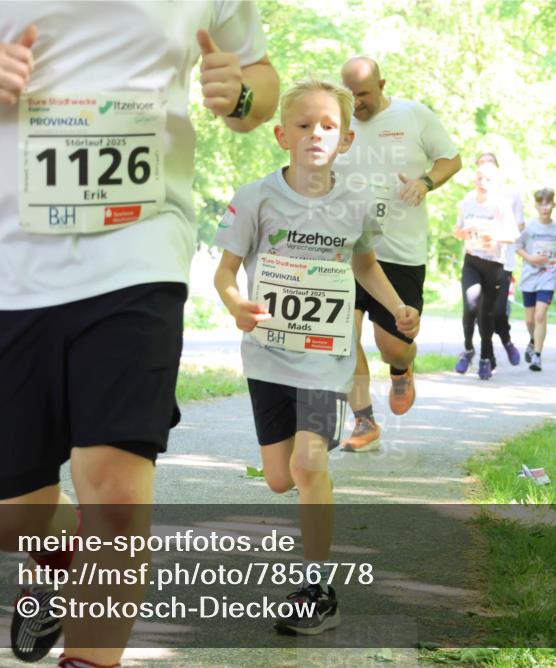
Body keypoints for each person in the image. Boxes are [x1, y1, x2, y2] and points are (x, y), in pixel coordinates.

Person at [0, 3, 278, 665]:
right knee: (4, 517)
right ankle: (59, 553)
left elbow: (257, 79)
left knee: (115, 484)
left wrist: (243, 95)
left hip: (138, 247)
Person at [213, 79, 419, 631]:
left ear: (346, 139)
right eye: (303, 126)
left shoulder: (353, 204)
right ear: (281, 134)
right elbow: (226, 272)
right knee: (281, 478)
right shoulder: (256, 197)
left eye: (328, 126)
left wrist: (398, 308)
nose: (315, 135)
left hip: (325, 357)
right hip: (266, 356)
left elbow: (365, 264)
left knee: (311, 462)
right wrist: (237, 306)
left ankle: (317, 588)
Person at [335, 56, 461, 451]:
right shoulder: (336, 122)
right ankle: (364, 422)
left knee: (393, 343)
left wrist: (425, 182)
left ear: (383, 84)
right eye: (350, 95)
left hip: (399, 251)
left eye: (364, 95)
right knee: (342, 336)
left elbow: (451, 159)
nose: (357, 104)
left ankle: (402, 367)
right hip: (347, 249)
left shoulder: (414, 115)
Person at [452, 161, 520, 379]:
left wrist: (495, 238)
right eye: (479, 177)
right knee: (470, 305)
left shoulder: (500, 205)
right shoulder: (466, 203)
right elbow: (457, 231)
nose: (482, 182)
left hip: (494, 265)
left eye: (487, 179)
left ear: (496, 182)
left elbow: (512, 236)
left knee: (486, 314)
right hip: (472, 261)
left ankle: (484, 358)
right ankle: (468, 349)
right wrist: (464, 232)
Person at [476, 153, 526, 368]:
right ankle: (487, 357)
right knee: (480, 313)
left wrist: (498, 232)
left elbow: (520, 226)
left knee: (497, 311)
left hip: (503, 261)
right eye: (481, 166)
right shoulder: (473, 197)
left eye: (489, 165)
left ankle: (506, 341)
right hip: (478, 260)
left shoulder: (511, 194)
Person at [514, 188, 556, 371]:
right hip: (530, 277)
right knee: (530, 320)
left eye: (548, 203)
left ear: (553, 204)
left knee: (540, 314)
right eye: (541, 203)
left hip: (549, 276)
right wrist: (530, 258)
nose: (544, 207)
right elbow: (518, 246)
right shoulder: (530, 228)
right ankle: (532, 340)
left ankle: (537, 355)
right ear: (536, 205)